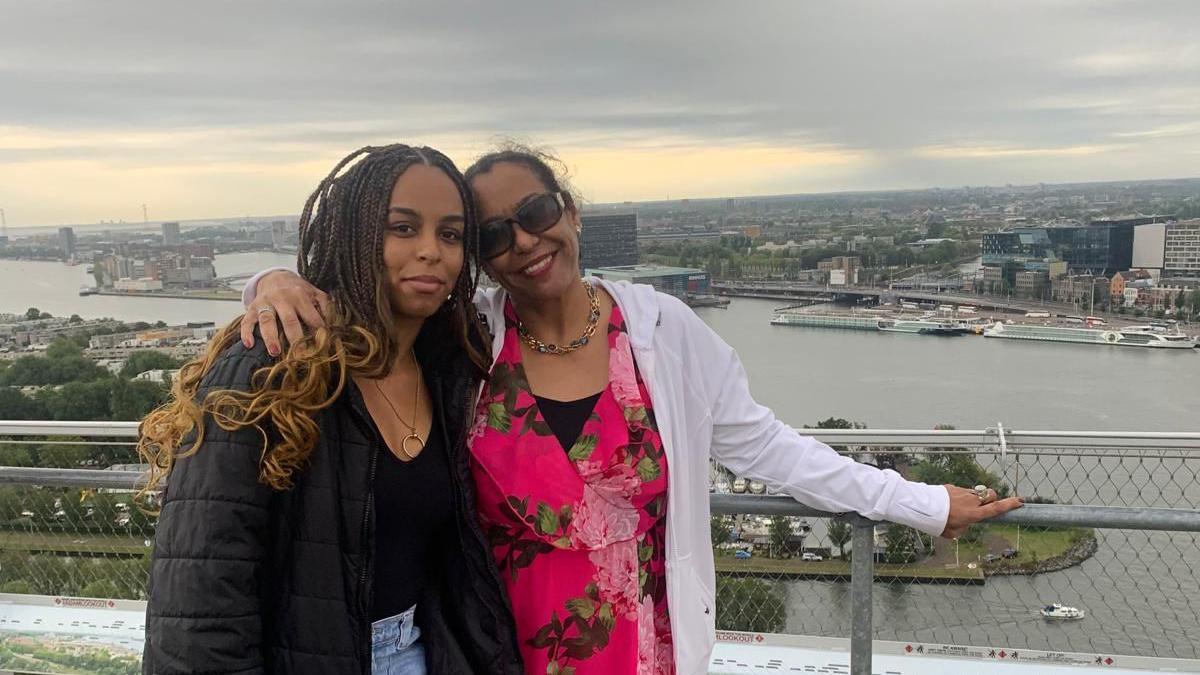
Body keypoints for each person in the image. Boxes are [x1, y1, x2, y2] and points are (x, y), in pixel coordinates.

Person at [241, 145, 1023, 675]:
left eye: (537, 209)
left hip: (642, 651)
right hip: (491, 649)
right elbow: (361, 308)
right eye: (491, 232)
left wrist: (919, 503)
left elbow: (772, 449)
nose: (524, 239)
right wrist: (270, 283)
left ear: (571, 210)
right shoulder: (467, 338)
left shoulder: (662, 333)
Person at [139, 144, 523, 675]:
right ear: (354, 235)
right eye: (403, 228)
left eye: (451, 234)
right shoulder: (273, 364)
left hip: (419, 651)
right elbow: (201, 594)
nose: (432, 251)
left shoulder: (453, 370)